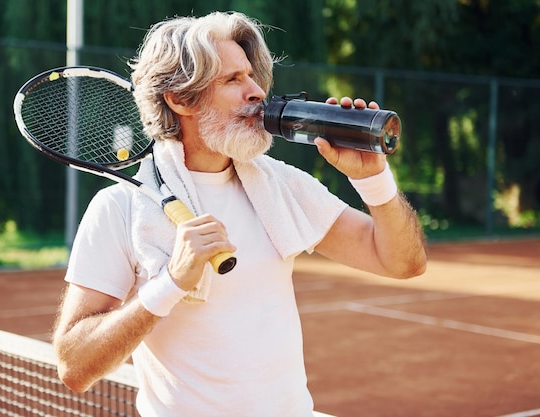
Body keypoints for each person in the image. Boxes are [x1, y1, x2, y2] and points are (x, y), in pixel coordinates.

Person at [52, 11, 427, 417]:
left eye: (252, 76)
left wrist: (374, 180)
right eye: (232, 80)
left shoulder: (282, 185)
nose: (256, 93)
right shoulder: (121, 209)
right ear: (179, 99)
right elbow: (74, 366)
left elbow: (403, 263)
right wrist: (171, 283)